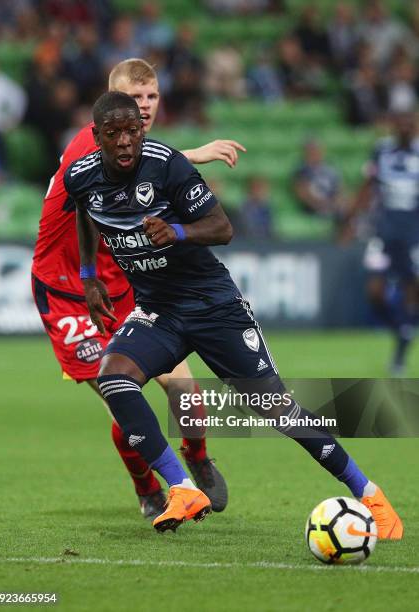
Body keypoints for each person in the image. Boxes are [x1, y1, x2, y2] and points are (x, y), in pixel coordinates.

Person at [70, 90, 403, 537]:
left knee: (278, 410)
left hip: (214, 307)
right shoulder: (82, 177)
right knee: (114, 375)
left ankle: (370, 494)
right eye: (115, 135)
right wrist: (89, 275)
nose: (126, 142)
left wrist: (178, 231)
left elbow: (222, 228)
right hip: (159, 311)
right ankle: (182, 487)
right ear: (98, 137)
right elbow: (87, 214)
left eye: (133, 131)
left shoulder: (166, 163)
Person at [32, 58, 246, 520]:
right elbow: (94, 190)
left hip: (124, 282)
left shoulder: (141, 148)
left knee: (185, 389)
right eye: (134, 97)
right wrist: (194, 152)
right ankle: (149, 487)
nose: (143, 107)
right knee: (121, 392)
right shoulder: (89, 144)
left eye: (151, 98)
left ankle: (198, 455)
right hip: (66, 288)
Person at [346, 111, 419, 375]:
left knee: (414, 286)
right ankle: (402, 330)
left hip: (414, 231)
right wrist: (349, 221)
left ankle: (401, 350)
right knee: (375, 291)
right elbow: (367, 187)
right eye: (401, 121)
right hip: (384, 232)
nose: (405, 126)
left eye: (410, 122)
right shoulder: (382, 151)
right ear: (394, 125)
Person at [293, 139, 347, 219]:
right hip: (313, 209)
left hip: (332, 207)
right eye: (311, 151)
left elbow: (340, 189)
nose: (314, 153)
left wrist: (337, 202)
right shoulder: (302, 170)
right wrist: (322, 205)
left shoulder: (330, 169)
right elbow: (302, 192)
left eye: (316, 150)